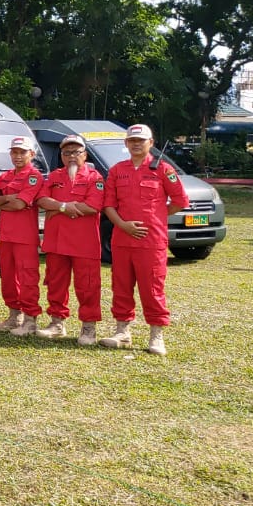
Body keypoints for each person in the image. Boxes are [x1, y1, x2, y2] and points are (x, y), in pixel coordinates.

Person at [102, 124, 188, 355]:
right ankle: (122, 331)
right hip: (122, 240)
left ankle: (156, 335)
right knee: (121, 286)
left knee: (152, 288)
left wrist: (157, 216)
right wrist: (122, 225)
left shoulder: (163, 169)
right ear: (126, 143)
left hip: (151, 242)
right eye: (132, 140)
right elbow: (108, 204)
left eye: (141, 140)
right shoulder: (117, 170)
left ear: (151, 143)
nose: (136, 144)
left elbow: (180, 200)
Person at [35, 134, 106, 344]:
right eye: (67, 153)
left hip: (85, 242)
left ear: (85, 154)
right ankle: (57, 323)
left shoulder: (95, 178)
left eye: (76, 152)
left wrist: (57, 208)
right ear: (61, 156)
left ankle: (89, 327)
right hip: (57, 241)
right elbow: (41, 200)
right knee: (55, 283)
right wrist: (65, 207)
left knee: (88, 286)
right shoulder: (54, 176)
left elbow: (93, 206)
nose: (71, 156)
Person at [0, 136, 44, 335]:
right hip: (6, 236)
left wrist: (5, 201)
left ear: (32, 154)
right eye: (14, 152)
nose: (18, 156)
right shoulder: (5, 176)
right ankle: (14, 316)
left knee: (27, 278)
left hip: (25, 237)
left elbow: (20, 204)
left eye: (22, 152)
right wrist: (9, 198)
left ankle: (30, 320)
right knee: (8, 277)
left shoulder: (34, 176)